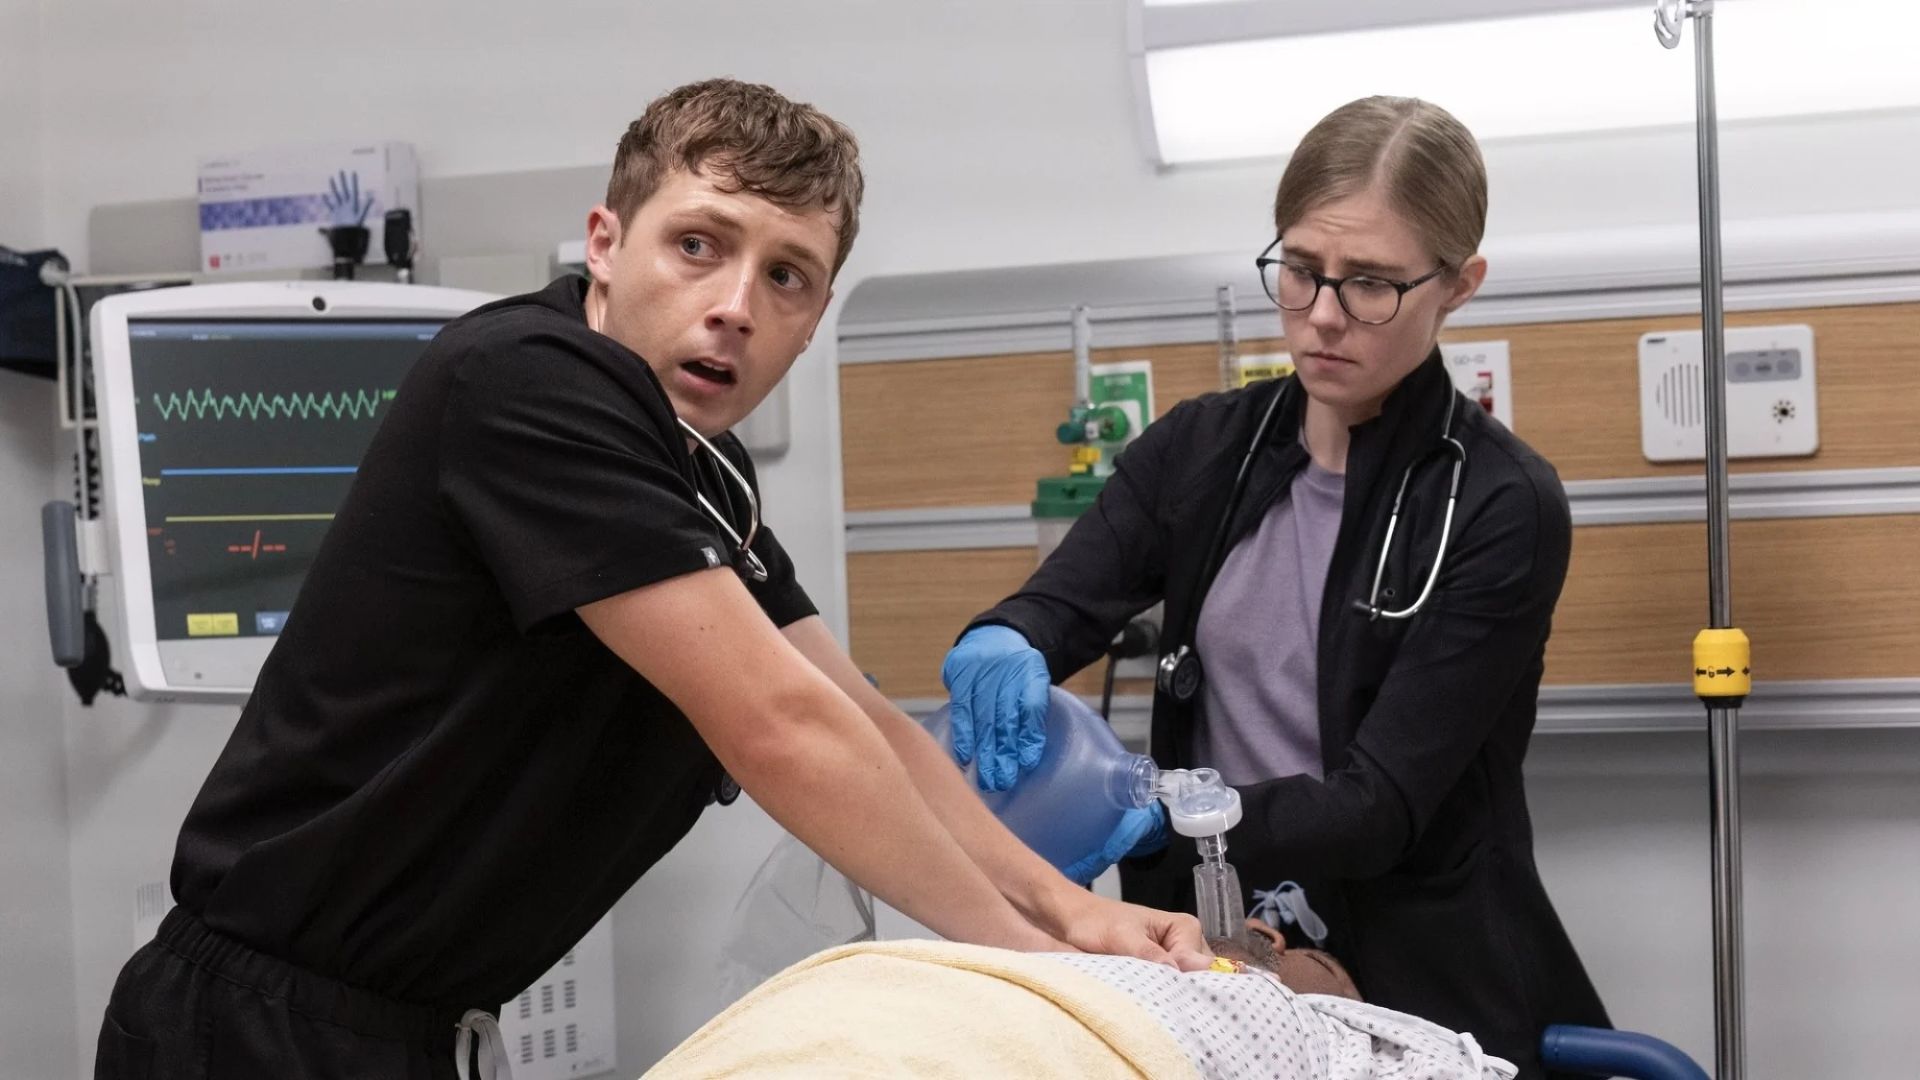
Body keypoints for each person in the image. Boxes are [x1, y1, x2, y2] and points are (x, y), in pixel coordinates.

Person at [93, 78, 1206, 1080]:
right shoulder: (527, 383)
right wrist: (1025, 965)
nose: (736, 304)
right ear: (606, 242)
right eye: (698, 246)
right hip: (255, 1029)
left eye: (786, 277)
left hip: (412, 1027)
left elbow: (859, 719)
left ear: (816, 319)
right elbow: (777, 728)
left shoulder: (701, 473)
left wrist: (1072, 918)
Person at [941, 96, 1609, 1077]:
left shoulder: (1501, 505)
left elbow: (1378, 805)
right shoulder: (1205, 450)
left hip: (1413, 968)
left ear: (1458, 285)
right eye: (1300, 272)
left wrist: (1154, 801)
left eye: (1372, 284)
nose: (1325, 316)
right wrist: (1003, 640)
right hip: (1211, 954)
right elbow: (1060, 604)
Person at [647, 925, 1513, 1080]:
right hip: (897, 997)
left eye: (1318, 958)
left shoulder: (1338, 1044)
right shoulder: (1105, 963)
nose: (1278, 939)